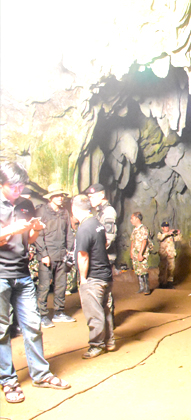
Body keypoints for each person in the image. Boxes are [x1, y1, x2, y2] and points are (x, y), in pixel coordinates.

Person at [1, 161, 71, 404]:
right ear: (2, 184)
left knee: (32, 324)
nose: (18, 191)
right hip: (0, 275)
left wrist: (34, 229)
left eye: (21, 186)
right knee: (2, 332)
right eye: (14, 187)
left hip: (21, 273)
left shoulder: (26, 204)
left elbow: (29, 240)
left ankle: (40, 374)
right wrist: (11, 229)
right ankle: (8, 382)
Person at [72, 194, 115, 359]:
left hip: (93, 276)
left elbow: (83, 255)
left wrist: (83, 279)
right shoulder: (97, 223)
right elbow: (104, 243)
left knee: (94, 313)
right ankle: (110, 342)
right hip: (105, 274)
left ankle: (97, 345)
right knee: (106, 310)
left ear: (74, 210)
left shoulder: (84, 228)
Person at [35, 184, 75, 328]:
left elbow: (69, 232)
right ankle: (42, 315)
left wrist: (70, 251)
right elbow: (37, 235)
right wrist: (43, 254)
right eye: (57, 196)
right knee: (44, 286)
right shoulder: (42, 211)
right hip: (47, 255)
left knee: (61, 285)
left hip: (61, 254)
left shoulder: (64, 212)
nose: (60, 198)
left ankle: (59, 312)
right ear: (50, 197)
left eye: (61, 196)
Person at [85, 183, 117, 317]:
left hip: (105, 258)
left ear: (101, 195)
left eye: (92, 197)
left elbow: (108, 238)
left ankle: (108, 322)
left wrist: (95, 252)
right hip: (100, 257)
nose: (90, 199)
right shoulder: (100, 212)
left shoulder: (108, 212)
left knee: (105, 292)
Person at [129, 212, 151, 294]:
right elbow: (132, 241)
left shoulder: (143, 229)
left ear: (137, 218)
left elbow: (144, 241)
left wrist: (140, 253)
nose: (131, 220)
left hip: (141, 253)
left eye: (132, 218)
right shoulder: (134, 230)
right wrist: (131, 251)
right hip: (135, 252)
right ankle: (141, 287)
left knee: (144, 270)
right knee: (137, 270)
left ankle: (147, 288)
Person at [157, 221, 180, 289]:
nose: (167, 228)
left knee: (171, 268)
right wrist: (168, 233)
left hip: (171, 254)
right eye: (165, 227)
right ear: (162, 228)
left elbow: (179, 239)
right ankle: (161, 283)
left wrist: (178, 233)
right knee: (162, 268)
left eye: (167, 226)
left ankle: (170, 282)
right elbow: (160, 238)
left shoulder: (171, 235)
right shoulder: (160, 234)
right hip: (163, 254)